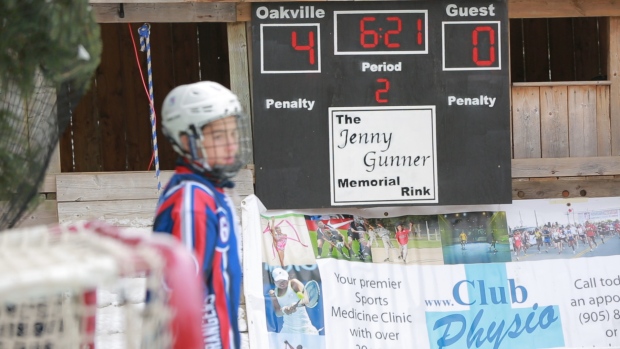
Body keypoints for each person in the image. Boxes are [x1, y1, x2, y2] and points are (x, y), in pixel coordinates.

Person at [153, 81, 251, 349]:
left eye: (233, 133)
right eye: (219, 136)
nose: (231, 144)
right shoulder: (192, 202)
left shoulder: (211, 193)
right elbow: (182, 294)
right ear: (188, 141)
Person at [268, 268, 319, 334]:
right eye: (278, 281)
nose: (282, 283)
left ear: (288, 278)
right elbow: (278, 313)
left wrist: (295, 304)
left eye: (283, 280)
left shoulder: (294, 283)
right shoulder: (274, 293)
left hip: (305, 328)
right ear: (274, 282)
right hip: (288, 329)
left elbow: (306, 300)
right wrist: (285, 309)